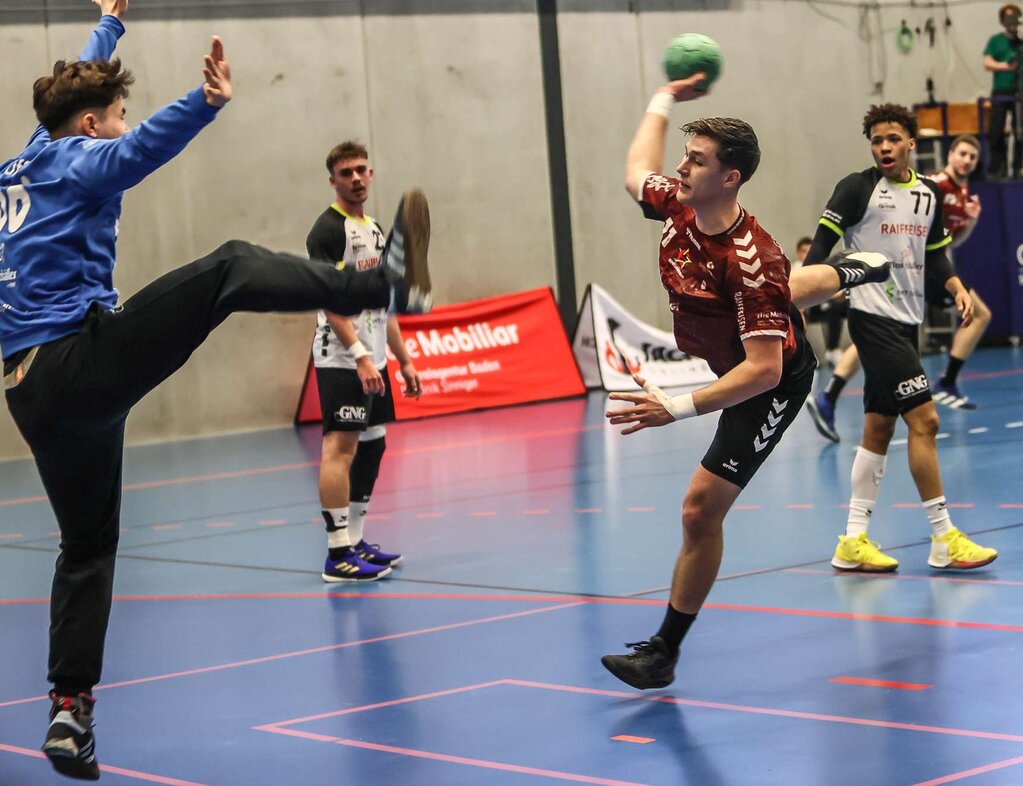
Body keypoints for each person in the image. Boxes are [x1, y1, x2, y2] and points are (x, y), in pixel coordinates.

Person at [0, 2, 431, 779]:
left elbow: (74, 103)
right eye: (115, 116)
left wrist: (108, 25)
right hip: (76, 362)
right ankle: (377, 283)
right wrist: (204, 102)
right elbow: (138, 149)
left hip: (29, 394)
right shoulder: (84, 157)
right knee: (230, 267)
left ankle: (70, 710)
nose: (120, 126)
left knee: (87, 547)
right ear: (92, 125)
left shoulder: (27, 157)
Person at [599, 75, 892, 691]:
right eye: (685, 156)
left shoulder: (751, 261)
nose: (681, 168)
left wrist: (675, 407)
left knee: (699, 511)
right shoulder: (681, 202)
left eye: (696, 161)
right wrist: (663, 97)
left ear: (730, 178)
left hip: (770, 382)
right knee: (783, 291)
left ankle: (663, 652)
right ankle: (845, 271)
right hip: (736, 331)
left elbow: (762, 370)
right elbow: (634, 171)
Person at [801, 103, 997, 574]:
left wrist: (956, 288)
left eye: (893, 139)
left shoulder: (928, 194)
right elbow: (820, 250)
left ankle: (852, 542)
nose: (884, 147)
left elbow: (938, 256)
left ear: (911, 142)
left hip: (908, 320)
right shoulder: (856, 188)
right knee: (925, 421)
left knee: (879, 428)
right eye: (876, 141)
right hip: (872, 318)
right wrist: (798, 300)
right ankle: (944, 537)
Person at [306, 141, 425, 582]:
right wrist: (358, 356)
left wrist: (403, 360)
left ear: (370, 174)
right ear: (332, 181)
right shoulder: (327, 231)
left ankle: (355, 540)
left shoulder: (373, 229)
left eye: (361, 170)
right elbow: (328, 298)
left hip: (374, 359)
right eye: (346, 173)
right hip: (342, 358)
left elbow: (382, 303)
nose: (355, 178)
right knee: (340, 449)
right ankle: (337, 554)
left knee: (373, 445)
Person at [928, 135, 991, 409]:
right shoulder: (936, 184)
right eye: (962, 154)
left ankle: (947, 383)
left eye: (972, 157)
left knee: (979, 315)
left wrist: (971, 220)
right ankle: (946, 383)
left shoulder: (962, 192)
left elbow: (951, 241)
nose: (967, 160)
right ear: (950, 154)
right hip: (923, 267)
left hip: (935, 267)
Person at [800, 235, 851, 369]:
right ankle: (804, 353)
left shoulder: (822, 270)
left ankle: (833, 349)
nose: (807, 255)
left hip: (824, 304)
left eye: (809, 252)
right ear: (799, 253)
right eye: (804, 252)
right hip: (804, 307)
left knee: (835, 306)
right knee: (798, 313)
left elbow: (836, 292)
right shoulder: (794, 269)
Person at [984, 4, 1022, 179]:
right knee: (996, 130)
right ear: (1002, 21)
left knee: (1020, 130)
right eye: (1009, 18)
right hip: (1001, 90)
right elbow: (987, 63)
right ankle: (999, 168)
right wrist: (1006, 66)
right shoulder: (996, 41)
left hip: (1019, 92)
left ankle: (1018, 167)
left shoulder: (1020, 42)